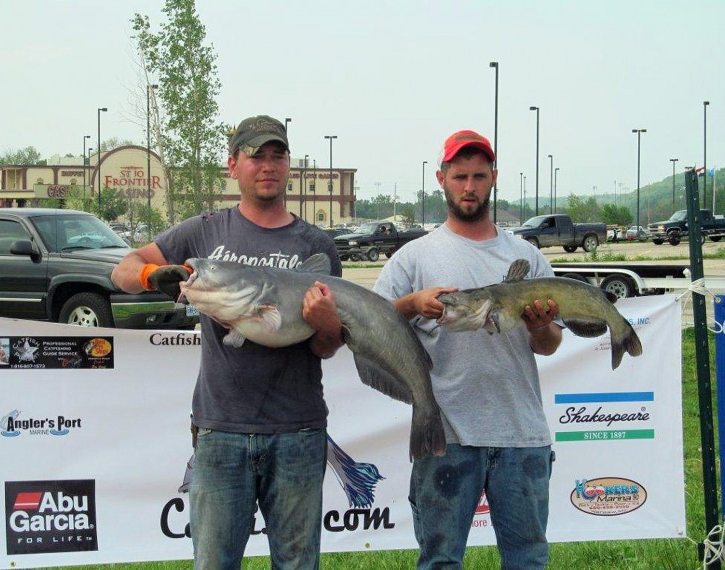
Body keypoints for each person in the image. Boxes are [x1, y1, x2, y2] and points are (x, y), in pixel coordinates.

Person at [111, 114, 344, 570]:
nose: (268, 166)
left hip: (298, 430)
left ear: (289, 167)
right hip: (220, 431)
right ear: (232, 165)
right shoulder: (204, 230)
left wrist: (328, 325)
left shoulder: (316, 245)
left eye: (278, 156)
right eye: (256, 156)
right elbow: (123, 269)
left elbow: (326, 348)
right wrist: (149, 274)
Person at [373, 129, 563, 570]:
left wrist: (539, 329)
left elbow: (551, 344)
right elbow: (372, 320)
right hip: (446, 437)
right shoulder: (414, 257)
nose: (470, 186)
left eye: (479, 176)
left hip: (522, 435)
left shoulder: (528, 258)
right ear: (441, 178)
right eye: (460, 176)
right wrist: (412, 304)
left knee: (529, 561)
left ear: (494, 177)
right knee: (440, 561)